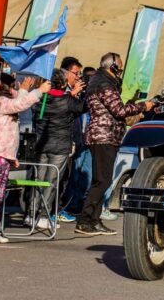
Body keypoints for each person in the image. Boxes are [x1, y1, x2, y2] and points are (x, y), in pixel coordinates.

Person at [75, 53, 152, 236]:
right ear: (113, 67)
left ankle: (94, 220)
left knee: (102, 180)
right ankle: (84, 221)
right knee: (102, 181)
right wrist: (143, 106)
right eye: (120, 68)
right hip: (104, 136)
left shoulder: (100, 82)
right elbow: (119, 110)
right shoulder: (104, 84)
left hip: (104, 136)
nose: (121, 72)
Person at [0, 75, 50, 244]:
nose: (14, 89)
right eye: (12, 86)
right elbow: (19, 104)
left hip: (3, 155)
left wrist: (25, 89)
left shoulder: (4, 102)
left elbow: (19, 102)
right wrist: (39, 91)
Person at [31, 69, 84, 229]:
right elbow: (83, 107)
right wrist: (76, 93)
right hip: (60, 147)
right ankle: (43, 216)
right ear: (62, 83)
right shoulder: (67, 100)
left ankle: (31, 214)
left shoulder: (39, 99)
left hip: (41, 144)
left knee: (38, 180)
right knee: (51, 182)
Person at [63, 66, 95, 216]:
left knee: (87, 175)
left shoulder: (92, 95)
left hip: (89, 139)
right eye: (87, 77)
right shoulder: (72, 94)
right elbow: (69, 109)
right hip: (76, 138)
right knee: (74, 175)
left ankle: (77, 205)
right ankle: (68, 205)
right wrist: (75, 93)